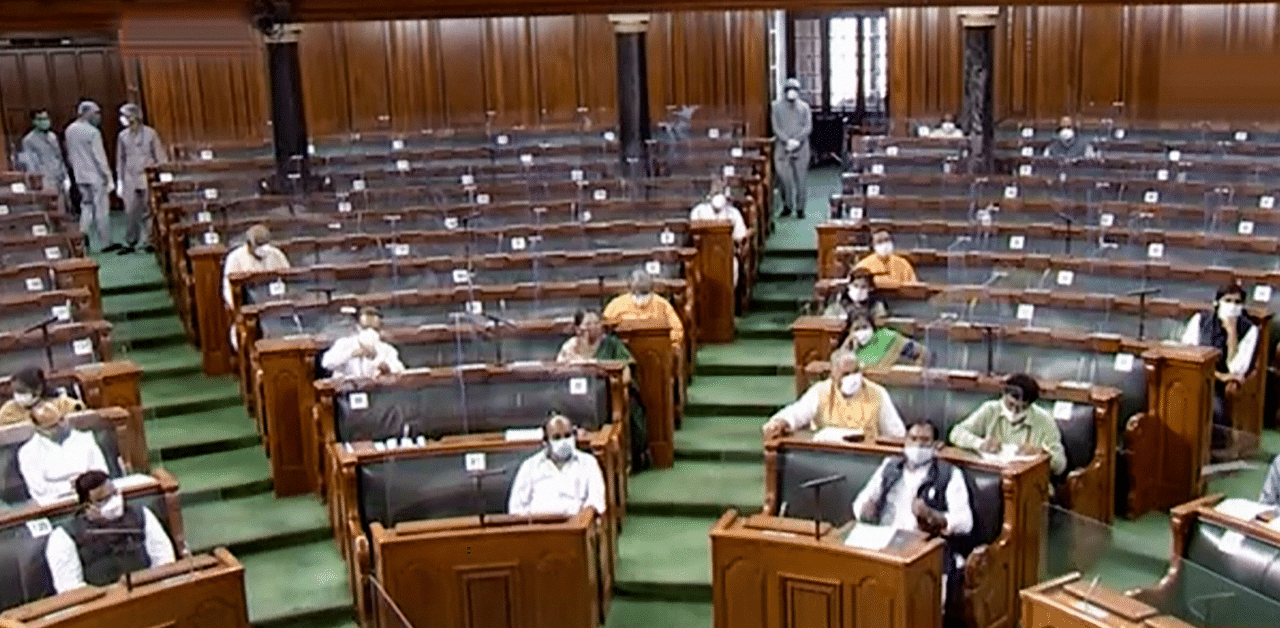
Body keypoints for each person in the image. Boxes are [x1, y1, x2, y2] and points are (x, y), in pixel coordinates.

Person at [852, 420, 972, 609]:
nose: (917, 445)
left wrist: (933, 516)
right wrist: (865, 510)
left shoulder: (949, 474)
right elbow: (861, 502)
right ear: (905, 440)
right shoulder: (890, 466)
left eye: (925, 441)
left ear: (935, 445)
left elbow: (965, 522)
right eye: (913, 438)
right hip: (884, 543)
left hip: (922, 550)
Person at [44, 470, 175, 593]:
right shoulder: (64, 536)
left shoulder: (141, 514)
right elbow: (70, 589)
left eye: (114, 493)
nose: (114, 501)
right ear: (86, 505)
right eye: (103, 500)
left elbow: (164, 558)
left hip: (148, 592)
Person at [557, 309, 651, 471]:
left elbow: (626, 370)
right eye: (588, 324)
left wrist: (619, 384)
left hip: (608, 396)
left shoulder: (611, 344)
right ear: (578, 328)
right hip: (576, 398)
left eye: (596, 323)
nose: (593, 327)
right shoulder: (570, 347)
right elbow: (558, 373)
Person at [1179, 283, 1258, 451]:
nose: (1232, 306)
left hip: (1219, 389)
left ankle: (1211, 455)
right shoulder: (1200, 320)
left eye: (1237, 302)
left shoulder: (1250, 330)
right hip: (1195, 377)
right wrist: (1220, 376)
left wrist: (1232, 334)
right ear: (1217, 302)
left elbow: (1235, 369)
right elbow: (1187, 356)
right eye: (1228, 301)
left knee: (1215, 409)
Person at [762, 351, 906, 440]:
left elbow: (896, 433)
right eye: (846, 374)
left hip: (866, 461)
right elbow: (798, 412)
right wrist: (780, 422)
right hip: (829, 459)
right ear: (833, 374)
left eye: (855, 372)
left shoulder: (877, 393)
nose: (852, 378)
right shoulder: (821, 391)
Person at [949, 373, 1067, 476]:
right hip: (992, 476)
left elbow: (1061, 466)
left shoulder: (1044, 420)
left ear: (1030, 406)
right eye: (1011, 405)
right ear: (1004, 394)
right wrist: (980, 444)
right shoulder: (990, 409)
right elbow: (956, 433)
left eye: (1022, 408)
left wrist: (1041, 454)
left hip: (1029, 485)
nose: (1014, 412)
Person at [508, 414, 607, 517]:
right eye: (557, 438)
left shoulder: (588, 462)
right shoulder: (529, 466)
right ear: (546, 442)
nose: (563, 442)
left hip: (576, 526)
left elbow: (597, 501)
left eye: (567, 436)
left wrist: (582, 520)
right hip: (538, 527)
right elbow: (516, 507)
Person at [18, 400, 109, 505]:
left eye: (61, 419)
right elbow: (39, 488)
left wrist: (82, 486)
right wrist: (71, 486)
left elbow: (102, 471)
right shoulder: (27, 452)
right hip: (53, 503)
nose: (61, 426)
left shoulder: (85, 438)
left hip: (92, 497)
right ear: (39, 429)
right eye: (53, 426)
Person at [115, 103, 166, 255]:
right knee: (130, 211)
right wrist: (119, 180)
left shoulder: (150, 133)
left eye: (124, 115)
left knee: (148, 210)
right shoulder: (122, 136)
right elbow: (120, 159)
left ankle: (149, 241)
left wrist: (162, 173)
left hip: (147, 175)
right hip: (129, 177)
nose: (122, 118)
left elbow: (160, 155)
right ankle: (130, 241)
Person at [64, 101, 116, 252]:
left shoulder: (69, 130)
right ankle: (105, 242)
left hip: (80, 176)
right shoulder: (92, 132)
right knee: (101, 209)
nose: (98, 116)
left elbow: (70, 155)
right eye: (96, 113)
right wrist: (108, 176)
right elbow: (99, 157)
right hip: (96, 176)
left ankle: (82, 233)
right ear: (85, 113)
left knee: (86, 206)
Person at [603, 269, 684, 352]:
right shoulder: (616, 305)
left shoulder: (662, 305)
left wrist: (674, 345)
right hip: (625, 353)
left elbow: (676, 328)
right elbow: (606, 328)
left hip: (658, 353)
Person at [688, 183, 749, 285]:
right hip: (703, 257)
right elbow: (695, 237)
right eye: (716, 191)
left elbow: (740, 236)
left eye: (721, 191)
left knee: (733, 268)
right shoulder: (698, 211)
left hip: (727, 257)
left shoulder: (733, 213)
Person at [320, 306, 405, 378]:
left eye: (374, 328)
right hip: (347, 393)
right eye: (365, 328)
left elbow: (399, 371)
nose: (370, 331)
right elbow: (326, 363)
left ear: (380, 330)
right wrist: (352, 353)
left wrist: (385, 366)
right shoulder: (344, 343)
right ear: (357, 327)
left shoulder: (387, 350)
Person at [221, 224, 291, 307]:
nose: (263, 249)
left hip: (275, 300)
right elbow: (229, 288)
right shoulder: (235, 258)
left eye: (264, 244)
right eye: (259, 245)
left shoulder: (277, 254)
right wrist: (237, 311)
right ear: (249, 244)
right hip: (249, 303)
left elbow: (288, 278)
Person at [772, 78, 812, 219]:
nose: (792, 93)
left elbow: (808, 127)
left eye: (795, 90)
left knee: (801, 179)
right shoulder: (776, 107)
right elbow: (775, 127)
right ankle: (787, 206)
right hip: (782, 148)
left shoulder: (804, 107)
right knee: (785, 179)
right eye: (790, 90)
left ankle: (800, 208)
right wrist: (787, 140)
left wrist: (796, 140)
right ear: (785, 91)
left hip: (801, 148)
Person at [836, 310, 925, 370]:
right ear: (849, 331)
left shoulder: (887, 337)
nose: (861, 332)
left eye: (865, 327)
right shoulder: (849, 348)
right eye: (856, 329)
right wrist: (846, 346)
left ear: (872, 327)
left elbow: (922, 352)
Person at [19, 109, 70, 211]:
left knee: (62, 208)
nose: (45, 121)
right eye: (41, 119)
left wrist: (65, 175)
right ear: (34, 121)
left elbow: (59, 156)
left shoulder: (52, 136)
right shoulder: (28, 140)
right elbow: (29, 163)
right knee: (49, 209)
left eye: (46, 118)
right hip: (44, 178)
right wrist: (36, 181)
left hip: (58, 176)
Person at [0, 366, 84, 425]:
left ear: (38, 389)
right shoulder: (8, 410)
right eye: (15, 391)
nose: (18, 395)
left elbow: (81, 414)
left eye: (22, 391)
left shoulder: (63, 404)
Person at [823, 267, 888, 324]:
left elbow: (881, 325)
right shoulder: (837, 305)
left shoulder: (876, 305)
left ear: (870, 289)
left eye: (863, 287)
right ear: (849, 286)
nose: (859, 290)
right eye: (855, 286)